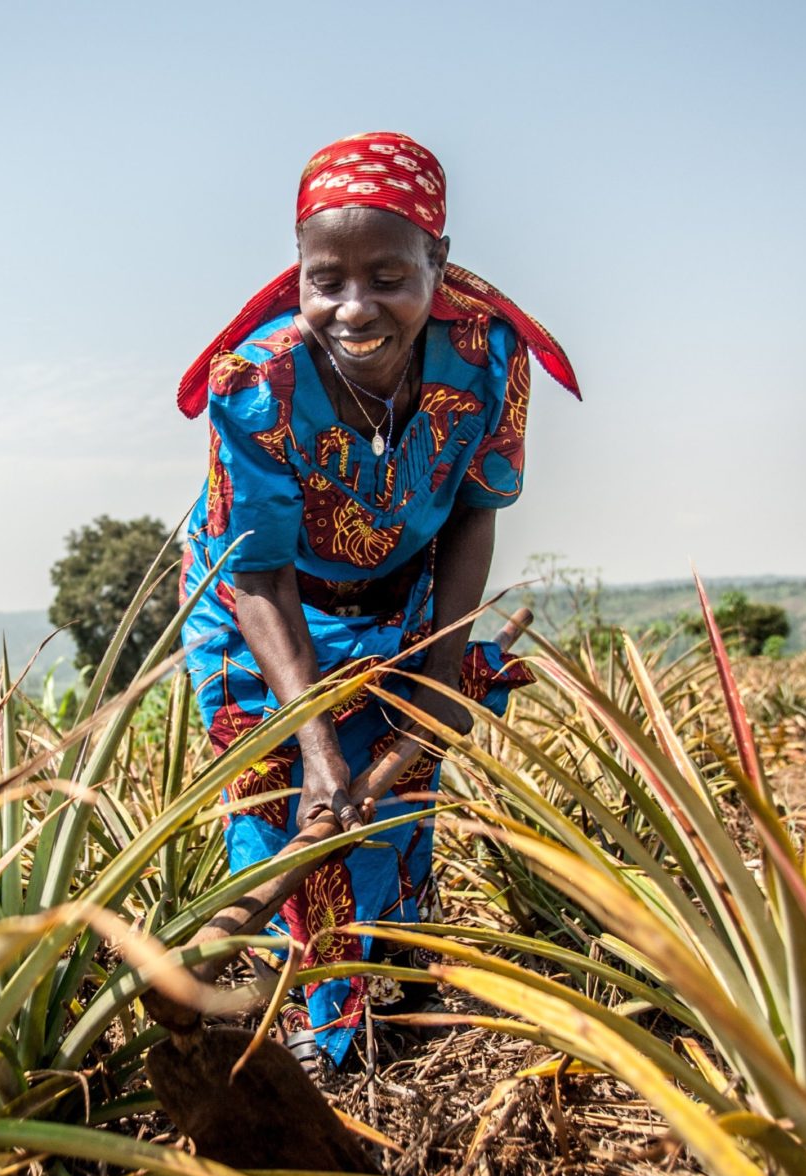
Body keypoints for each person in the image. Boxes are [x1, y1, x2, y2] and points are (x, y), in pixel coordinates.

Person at [175, 132, 580, 1069]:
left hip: (410, 597)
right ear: (300, 275)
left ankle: (397, 979)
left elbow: (474, 513)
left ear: (439, 264)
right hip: (264, 614)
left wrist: (441, 673)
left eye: (389, 275)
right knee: (285, 805)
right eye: (328, 280)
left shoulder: (487, 356)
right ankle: (316, 1034)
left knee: (399, 786)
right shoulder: (260, 384)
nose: (355, 308)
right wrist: (314, 741)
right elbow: (257, 571)